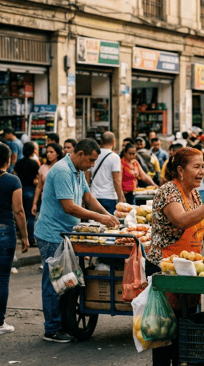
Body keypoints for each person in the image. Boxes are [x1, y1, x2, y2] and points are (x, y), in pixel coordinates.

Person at [145, 146, 204, 366]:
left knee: (184, 326)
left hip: (188, 268)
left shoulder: (194, 192)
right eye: (196, 167)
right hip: (165, 269)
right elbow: (181, 220)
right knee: (165, 331)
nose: (201, 172)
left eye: (203, 167)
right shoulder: (168, 191)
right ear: (180, 170)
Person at [34, 139, 119, 343]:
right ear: (80, 154)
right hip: (52, 234)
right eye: (90, 160)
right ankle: (51, 330)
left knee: (66, 281)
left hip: (66, 234)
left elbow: (88, 198)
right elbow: (70, 207)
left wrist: (109, 216)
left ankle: (64, 323)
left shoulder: (78, 172)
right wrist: (100, 218)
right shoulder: (63, 171)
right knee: (54, 282)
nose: (91, 164)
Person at [0, 143, 29, 335]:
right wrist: (25, 237)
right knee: (2, 278)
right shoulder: (12, 181)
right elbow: (18, 211)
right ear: (9, 160)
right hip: (4, 230)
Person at [85, 132, 125, 215]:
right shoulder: (115, 157)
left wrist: (84, 198)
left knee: (94, 225)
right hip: (109, 197)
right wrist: (121, 198)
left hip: (93, 196)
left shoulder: (94, 155)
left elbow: (86, 179)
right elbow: (116, 180)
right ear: (113, 142)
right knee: (109, 225)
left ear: (101, 141)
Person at [13, 142, 40, 247]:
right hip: (31, 191)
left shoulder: (19, 163)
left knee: (20, 214)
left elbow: (15, 175)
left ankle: (20, 234)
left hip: (20, 191)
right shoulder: (34, 163)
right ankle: (30, 238)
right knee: (31, 216)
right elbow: (37, 179)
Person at [31, 143, 63, 216]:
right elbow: (39, 187)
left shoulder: (62, 168)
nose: (48, 154)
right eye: (47, 152)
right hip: (46, 202)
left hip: (60, 203)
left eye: (51, 152)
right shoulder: (43, 167)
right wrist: (34, 204)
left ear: (57, 153)